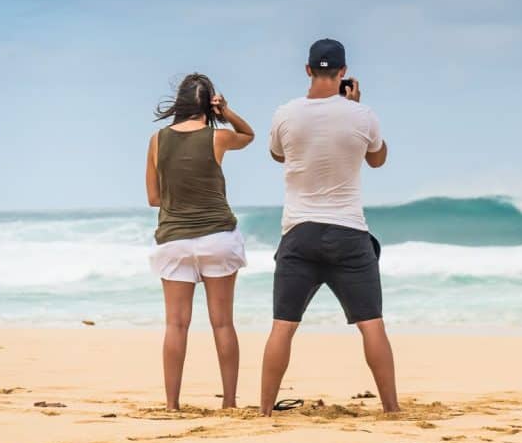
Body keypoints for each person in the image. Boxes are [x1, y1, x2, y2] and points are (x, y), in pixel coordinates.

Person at [260, 38, 399, 415]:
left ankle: (263, 412)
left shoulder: (285, 114)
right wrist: (351, 108)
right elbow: (378, 159)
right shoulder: (363, 114)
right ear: (343, 73)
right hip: (349, 232)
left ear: (307, 70)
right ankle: (391, 408)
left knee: (283, 326)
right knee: (372, 325)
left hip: (299, 232)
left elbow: (277, 153)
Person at [145, 73, 255, 410]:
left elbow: (153, 197)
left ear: (179, 104)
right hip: (218, 238)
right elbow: (248, 136)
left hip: (174, 241)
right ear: (209, 104)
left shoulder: (157, 139)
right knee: (222, 322)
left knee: (176, 324)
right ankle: (230, 403)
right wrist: (227, 111)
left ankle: (171, 405)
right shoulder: (218, 138)